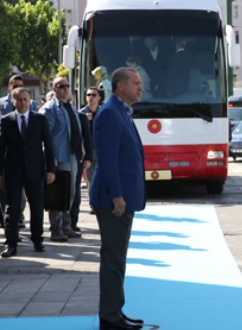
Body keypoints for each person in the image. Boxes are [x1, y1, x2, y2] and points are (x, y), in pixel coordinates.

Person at [90, 67, 146, 330]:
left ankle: (115, 311)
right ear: (120, 86)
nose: (140, 87)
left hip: (121, 197)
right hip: (114, 199)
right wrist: (117, 196)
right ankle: (110, 317)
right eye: (136, 83)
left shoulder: (120, 110)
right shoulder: (111, 113)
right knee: (113, 259)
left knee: (117, 259)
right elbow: (108, 160)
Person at [0, 87, 56, 257]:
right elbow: (1, 148)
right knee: (12, 208)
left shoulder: (39, 119)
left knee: (37, 207)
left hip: (35, 170)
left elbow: (49, 145)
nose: (23, 102)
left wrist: (50, 170)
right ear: (14, 101)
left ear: (30, 101)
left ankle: (37, 240)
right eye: (19, 99)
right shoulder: (6, 120)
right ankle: (11, 244)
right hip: (13, 172)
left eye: (25, 99)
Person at [40, 77, 83, 242]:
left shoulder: (70, 106)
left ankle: (66, 226)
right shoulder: (50, 108)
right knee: (57, 193)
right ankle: (56, 229)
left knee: (70, 193)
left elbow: (77, 131)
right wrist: (51, 158)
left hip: (72, 155)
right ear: (54, 89)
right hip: (59, 157)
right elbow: (46, 135)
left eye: (67, 86)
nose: (65, 89)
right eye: (61, 86)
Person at [0, 75, 38, 226]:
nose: (18, 88)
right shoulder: (2, 104)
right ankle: (8, 222)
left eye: (21, 85)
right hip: (7, 153)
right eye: (15, 85)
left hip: (27, 157)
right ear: (9, 87)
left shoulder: (32, 104)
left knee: (23, 195)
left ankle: (19, 218)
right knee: (6, 194)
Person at [69, 110, 94, 232]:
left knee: (75, 192)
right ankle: (61, 224)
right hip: (61, 159)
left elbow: (87, 138)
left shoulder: (80, 116)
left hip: (77, 159)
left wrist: (88, 157)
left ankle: (73, 222)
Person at [81, 88, 101, 202]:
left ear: (99, 97)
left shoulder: (104, 112)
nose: (90, 97)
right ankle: (94, 204)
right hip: (88, 152)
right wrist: (84, 120)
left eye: (93, 94)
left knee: (103, 179)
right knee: (91, 180)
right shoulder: (81, 113)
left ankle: (102, 203)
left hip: (102, 150)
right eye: (88, 94)